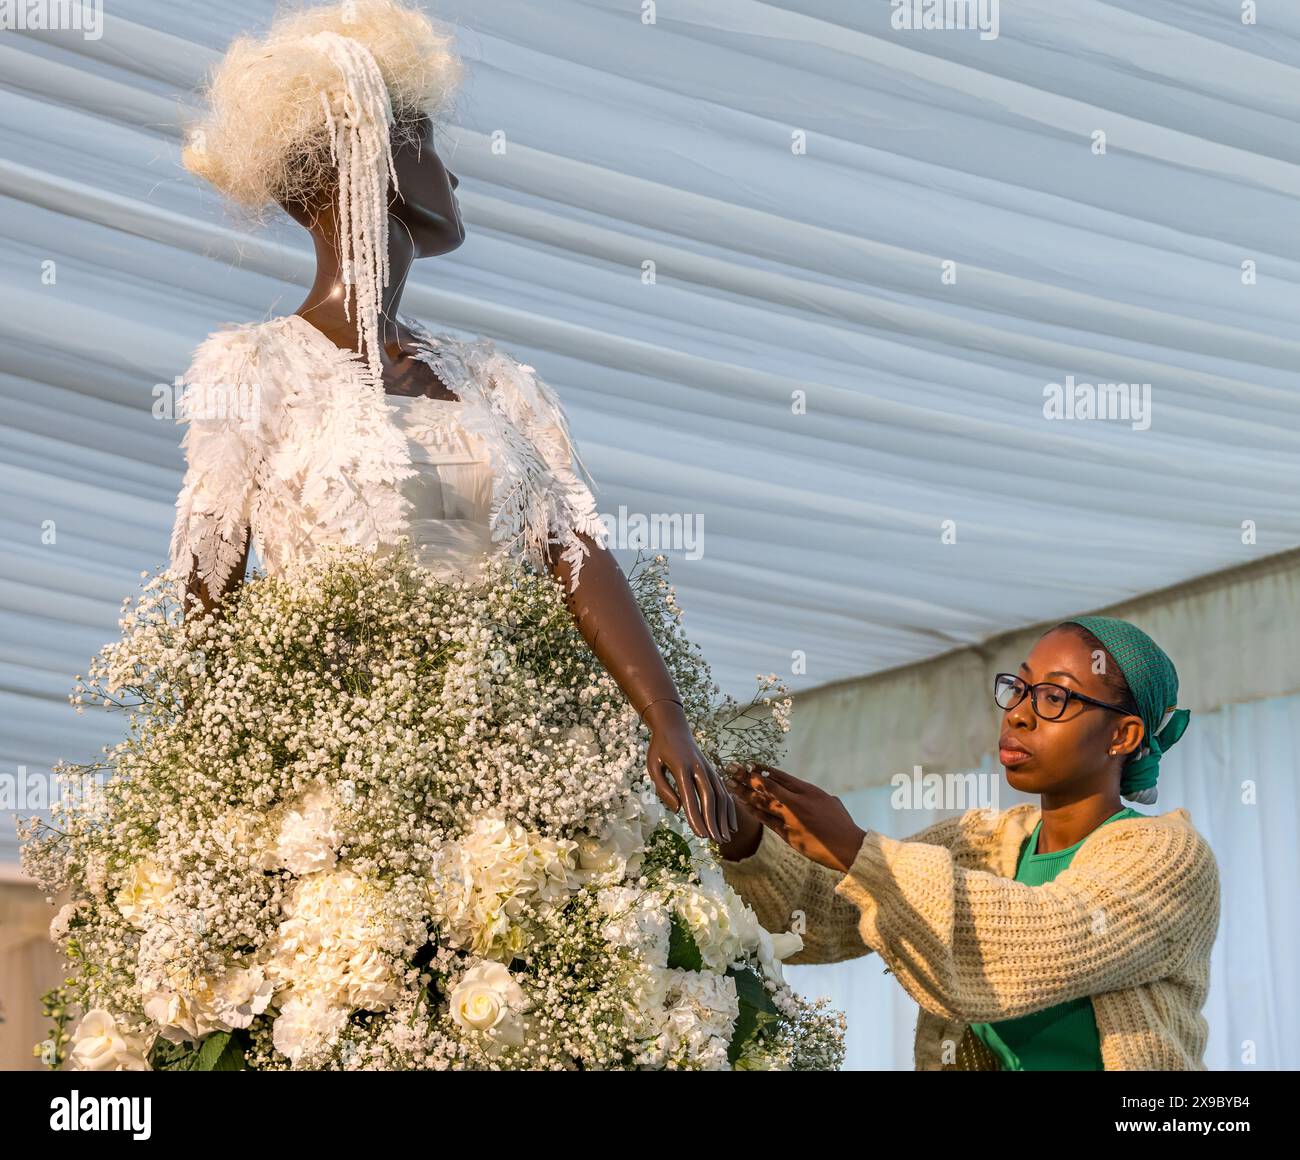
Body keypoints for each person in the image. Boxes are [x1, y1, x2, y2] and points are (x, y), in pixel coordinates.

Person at [171, 0, 733, 844]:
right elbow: (205, 593)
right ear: (363, 155)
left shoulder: (495, 378)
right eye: (425, 140)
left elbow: (576, 550)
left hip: (519, 768)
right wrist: (235, 791)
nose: (454, 175)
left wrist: (666, 717)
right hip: (345, 787)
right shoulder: (254, 367)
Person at [719, 616, 1221, 1070]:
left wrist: (857, 849)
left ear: (1123, 736)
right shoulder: (984, 841)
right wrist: (739, 830)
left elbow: (1038, 943)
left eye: (1055, 697)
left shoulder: (1169, 857)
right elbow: (825, 920)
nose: (1019, 714)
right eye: (1020, 688)